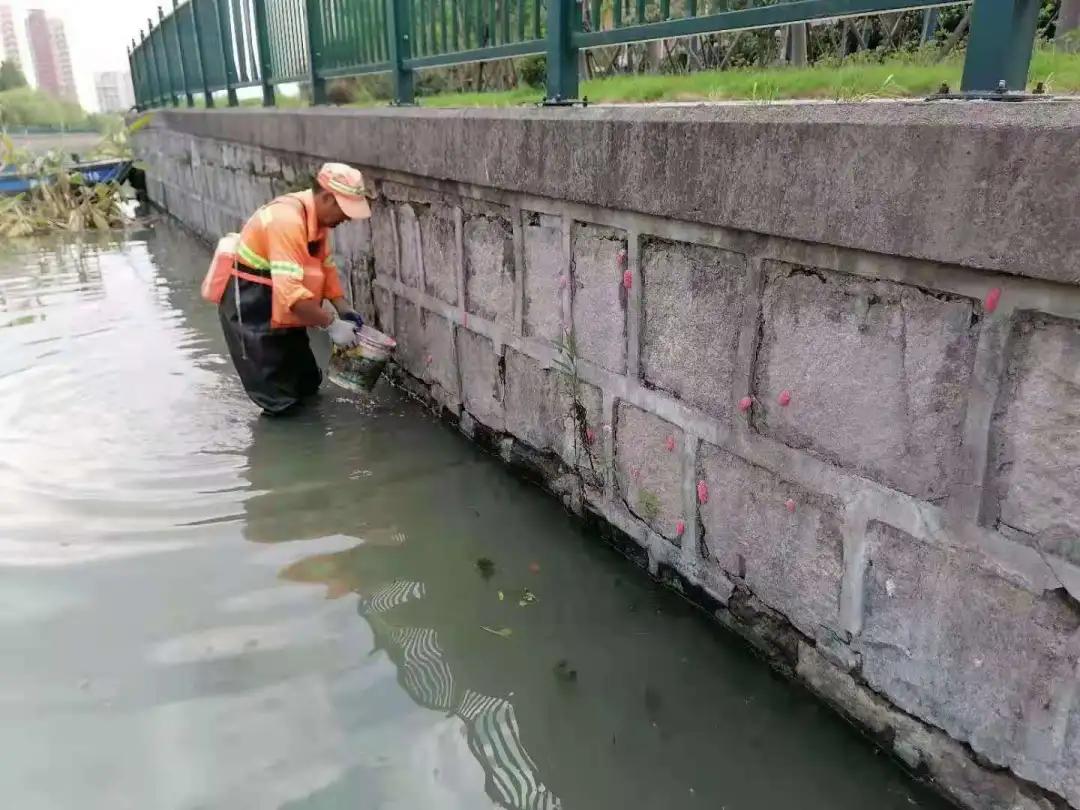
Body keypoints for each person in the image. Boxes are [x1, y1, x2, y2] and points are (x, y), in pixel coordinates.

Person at [219, 162, 370, 415]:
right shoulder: (286, 221)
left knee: (305, 382)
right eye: (345, 210)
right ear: (327, 198)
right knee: (278, 397)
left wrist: (343, 307)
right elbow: (292, 297)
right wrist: (332, 324)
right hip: (250, 302)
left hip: (279, 298)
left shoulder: (316, 220)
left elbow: (325, 265)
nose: (347, 218)